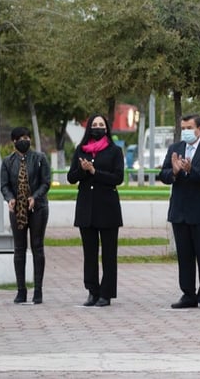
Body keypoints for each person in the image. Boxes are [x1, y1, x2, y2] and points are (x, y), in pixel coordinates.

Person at [159, 114, 200, 310]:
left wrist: (191, 169)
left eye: (189, 127)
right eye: (183, 127)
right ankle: (188, 294)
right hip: (180, 211)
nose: (186, 131)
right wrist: (175, 171)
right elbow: (164, 174)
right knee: (184, 256)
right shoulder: (175, 149)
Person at [67, 114, 125, 307]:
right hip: (86, 208)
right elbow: (71, 178)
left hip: (107, 208)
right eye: (95, 124)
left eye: (101, 125)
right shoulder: (81, 150)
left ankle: (106, 293)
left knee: (109, 254)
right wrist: (83, 170)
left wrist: (94, 172)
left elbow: (118, 178)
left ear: (107, 128)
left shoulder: (114, 151)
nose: (98, 127)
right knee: (89, 253)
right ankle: (92, 290)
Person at [0, 127, 51, 304]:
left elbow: (46, 182)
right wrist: (10, 199)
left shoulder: (40, 158)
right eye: (21, 138)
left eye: (27, 137)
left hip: (38, 208)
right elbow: (4, 185)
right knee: (19, 249)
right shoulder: (7, 162)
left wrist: (34, 197)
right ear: (14, 141)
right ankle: (21, 290)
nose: (25, 140)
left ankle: (38, 290)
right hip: (18, 210)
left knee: (37, 246)